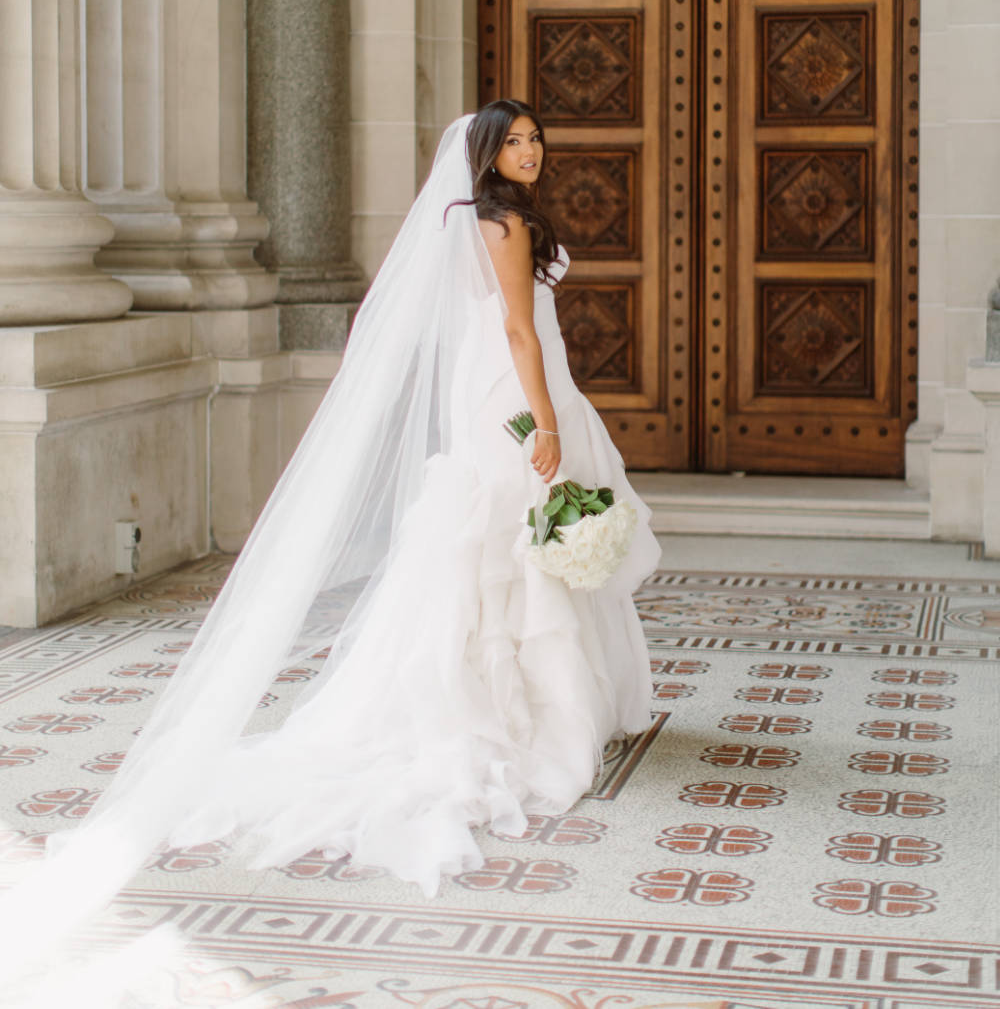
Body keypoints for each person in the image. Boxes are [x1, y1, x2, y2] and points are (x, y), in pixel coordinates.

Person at [0, 102, 661, 987]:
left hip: (506, 389)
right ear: (483, 153)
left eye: (536, 138)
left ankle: (536, 697)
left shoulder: (489, 218)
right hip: (511, 395)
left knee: (509, 545)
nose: (531, 150)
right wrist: (544, 418)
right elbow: (514, 326)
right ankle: (513, 708)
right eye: (515, 140)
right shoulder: (497, 222)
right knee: (507, 543)